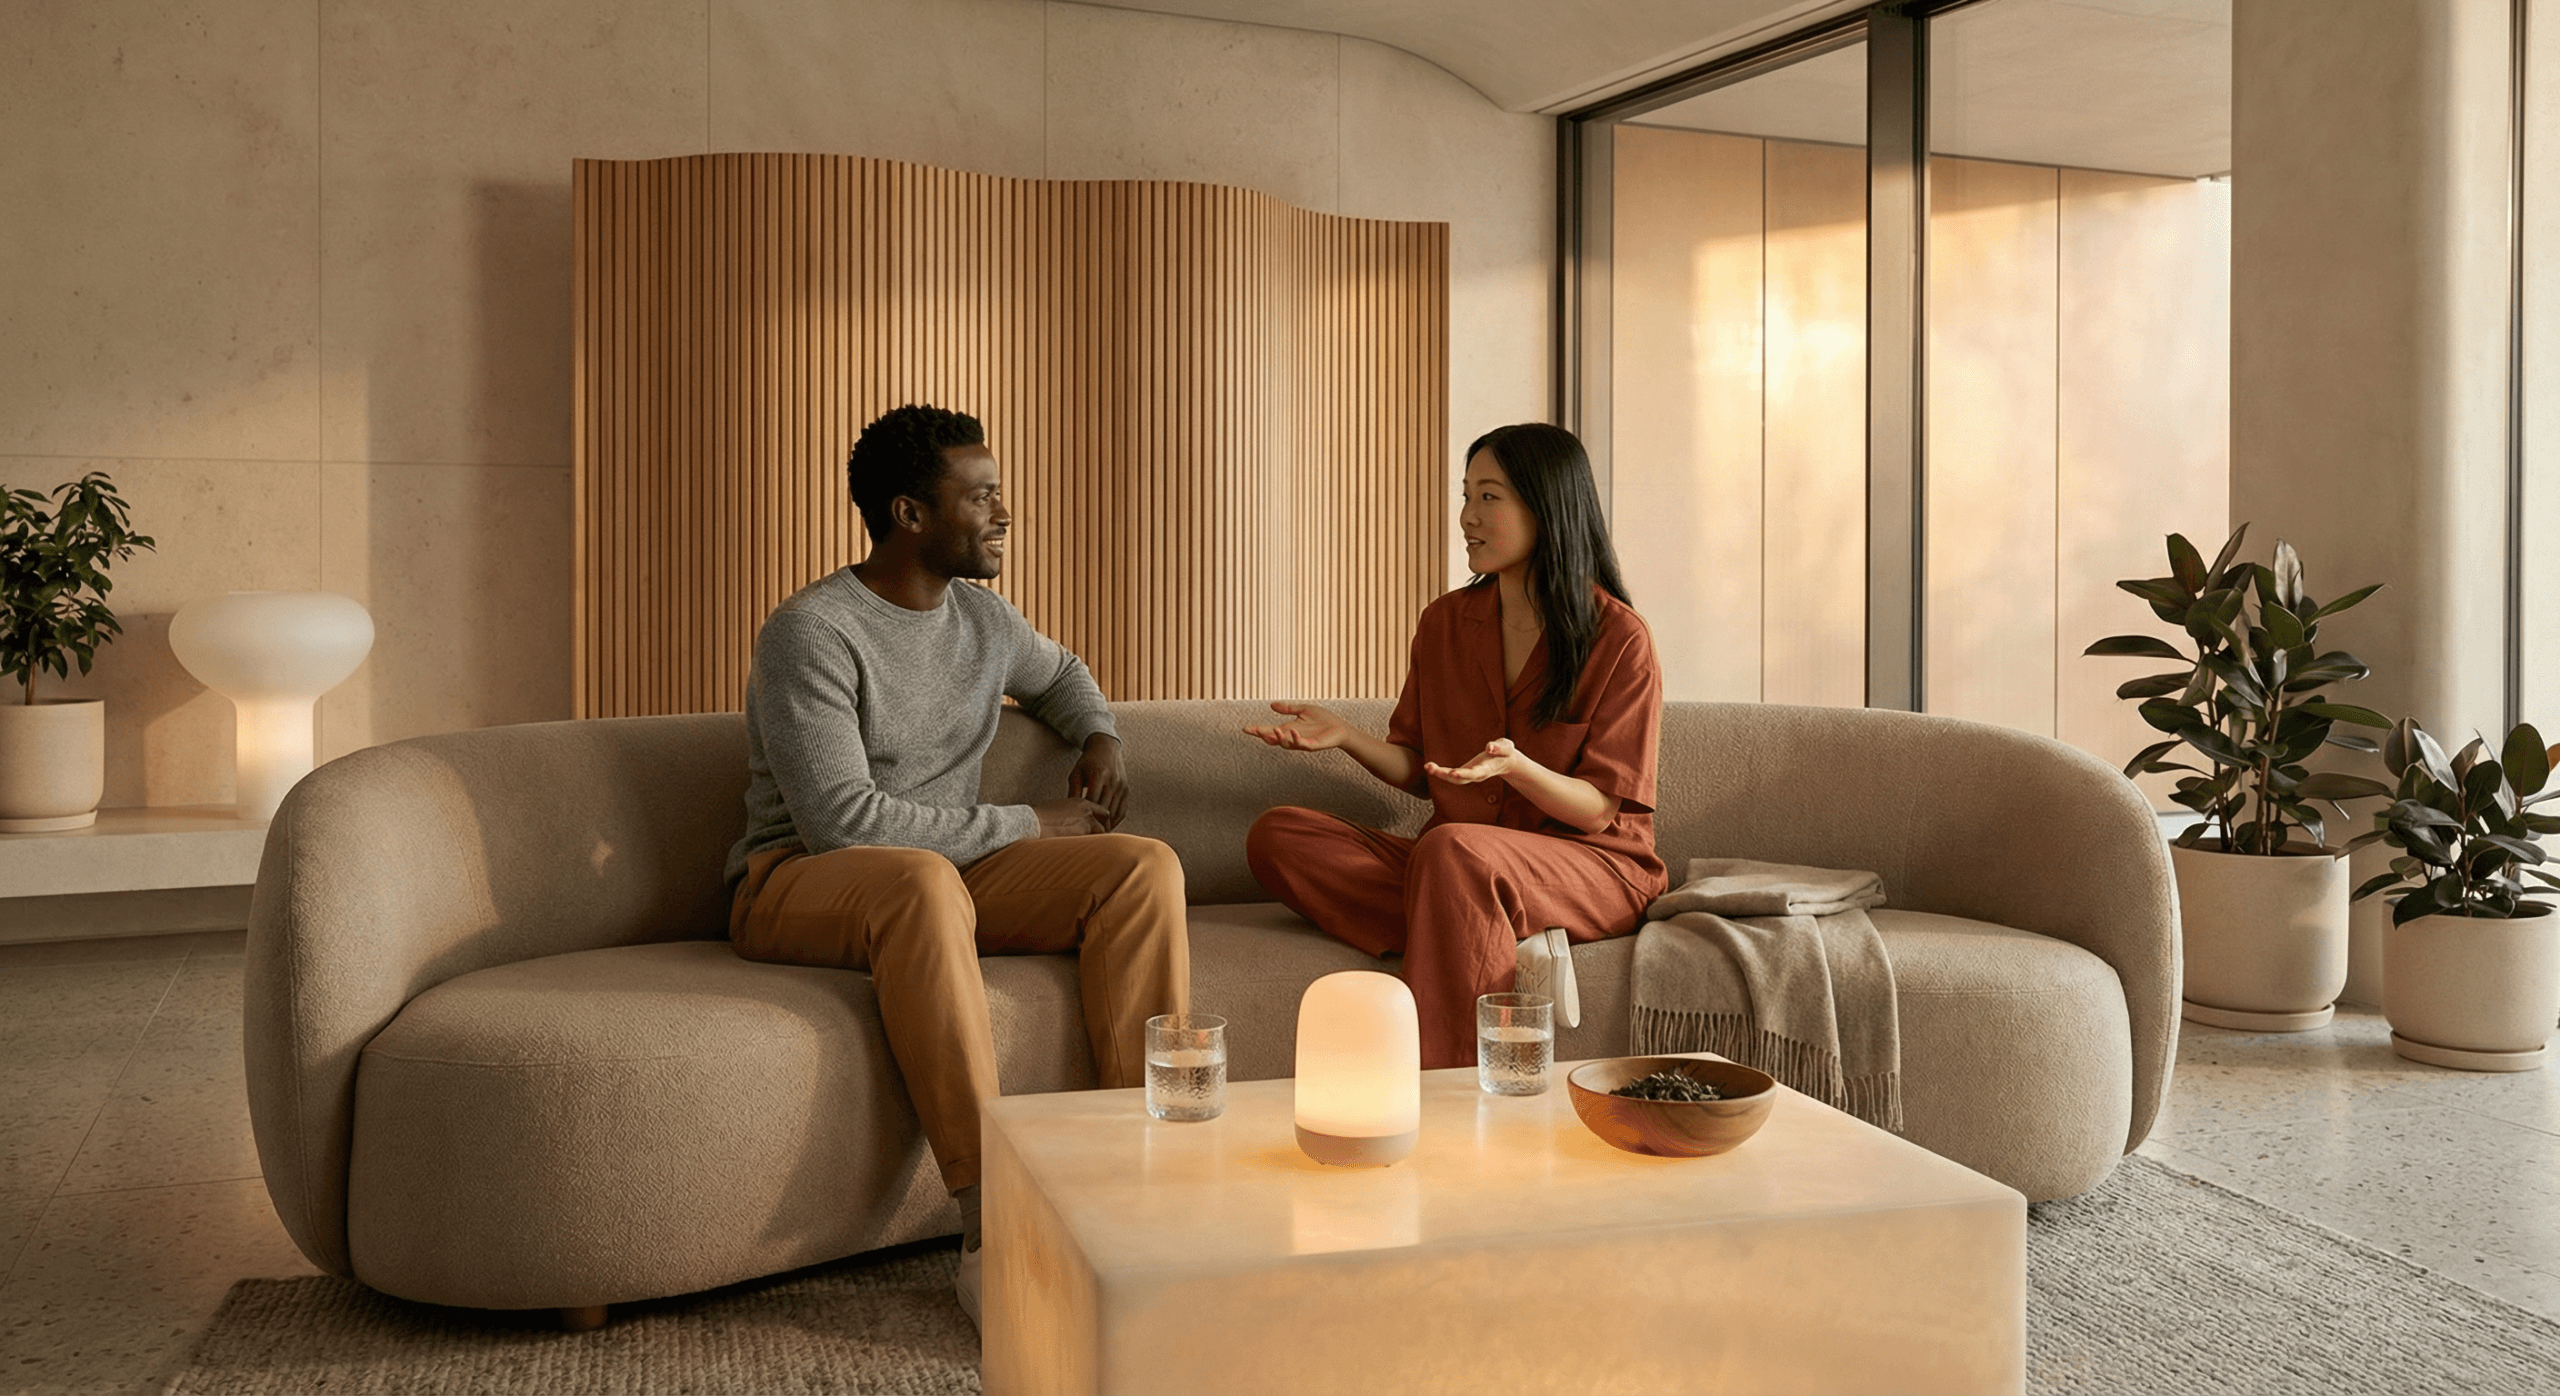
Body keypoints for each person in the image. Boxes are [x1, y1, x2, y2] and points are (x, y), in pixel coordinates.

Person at [725, 404, 1188, 1326]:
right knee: (919, 878)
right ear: (910, 515)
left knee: (1140, 867)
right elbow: (842, 824)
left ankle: (1146, 1183)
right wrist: (1033, 821)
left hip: (943, 874)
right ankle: (991, 1225)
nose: (1004, 513)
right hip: (796, 880)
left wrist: (1102, 736)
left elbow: (1064, 675)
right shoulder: (812, 633)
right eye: (981, 497)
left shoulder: (982, 615)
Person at [1242, 422, 1664, 1070]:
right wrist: (1349, 738)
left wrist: (1519, 769)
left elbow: (1598, 810)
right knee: (1280, 835)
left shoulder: (1619, 637)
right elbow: (1419, 769)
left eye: (1489, 497)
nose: (1467, 516)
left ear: (1545, 505)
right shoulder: (1443, 623)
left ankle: (1449, 1087)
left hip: (1591, 866)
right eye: (1465, 496)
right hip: (1461, 861)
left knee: (1450, 850)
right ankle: (1485, 922)